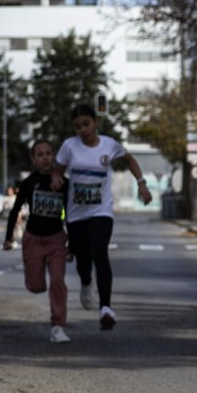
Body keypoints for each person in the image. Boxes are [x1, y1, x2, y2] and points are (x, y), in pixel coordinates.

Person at [52, 103, 152, 330]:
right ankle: (86, 282)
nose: (83, 130)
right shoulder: (69, 146)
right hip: (76, 213)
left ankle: (106, 307)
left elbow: (130, 160)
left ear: (95, 122)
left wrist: (141, 183)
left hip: (101, 210)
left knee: (100, 252)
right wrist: (56, 179)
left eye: (86, 124)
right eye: (78, 127)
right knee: (83, 259)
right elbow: (57, 170)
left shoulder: (109, 145)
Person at [4, 139, 71, 343]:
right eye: (40, 154)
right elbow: (15, 210)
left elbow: (70, 214)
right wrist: (8, 238)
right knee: (36, 286)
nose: (45, 158)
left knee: (58, 281)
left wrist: (72, 245)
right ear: (34, 159)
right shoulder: (29, 182)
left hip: (56, 239)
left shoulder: (64, 183)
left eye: (48, 153)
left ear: (55, 156)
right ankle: (34, 280)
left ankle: (58, 326)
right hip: (33, 238)